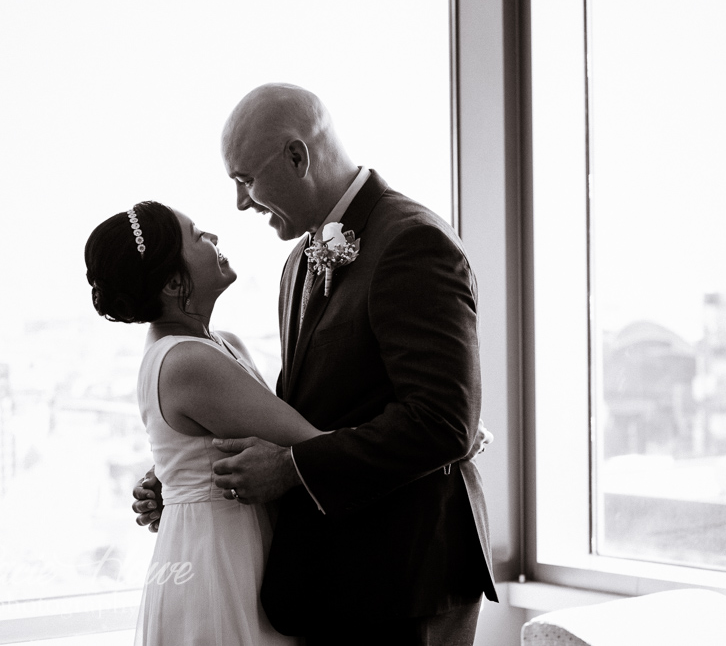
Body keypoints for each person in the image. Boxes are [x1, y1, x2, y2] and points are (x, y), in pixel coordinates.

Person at [134, 83, 497, 645]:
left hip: (410, 578)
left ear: (298, 157)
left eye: (245, 179)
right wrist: (188, 470)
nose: (240, 203)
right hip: (342, 577)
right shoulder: (298, 262)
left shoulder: (413, 242)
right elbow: (305, 405)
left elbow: (443, 422)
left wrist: (294, 466)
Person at [86, 201, 313, 646]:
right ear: (174, 283)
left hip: (238, 542)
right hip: (219, 562)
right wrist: (432, 437)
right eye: (197, 236)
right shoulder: (187, 361)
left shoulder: (219, 343)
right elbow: (309, 443)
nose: (212, 238)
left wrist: (165, 480)